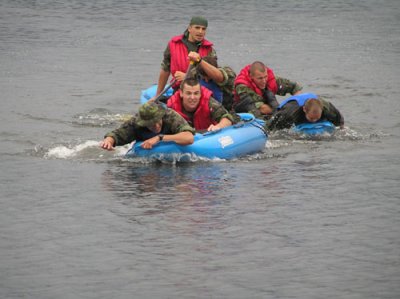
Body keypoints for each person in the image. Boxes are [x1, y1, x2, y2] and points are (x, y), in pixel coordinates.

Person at [155, 16, 217, 97]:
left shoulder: (209, 50)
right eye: (197, 28)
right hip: (179, 90)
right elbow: (165, 69)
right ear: (189, 28)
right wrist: (157, 95)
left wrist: (187, 77)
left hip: (201, 92)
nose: (200, 31)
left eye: (203, 29)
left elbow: (212, 77)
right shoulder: (173, 44)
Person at [100, 102, 195, 150]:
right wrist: (109, 141)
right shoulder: (136, 123)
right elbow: (117, 134)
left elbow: (189, 138)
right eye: (151, 124)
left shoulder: (170, 116)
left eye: (157, 121)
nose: (156, 126)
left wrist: (159, 138)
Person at [233, 61, 303, 118]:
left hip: (269, 111)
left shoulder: (271, 80)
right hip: (245, 112)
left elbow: (295, 87)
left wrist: (296, 104)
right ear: (251, 76)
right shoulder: (242, 86)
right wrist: (283, 111)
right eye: (260, 78)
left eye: (265, 77)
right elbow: (261, 108)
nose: (264, 81)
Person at [167, 77, 235, 131]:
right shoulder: (172, 107)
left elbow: (227, 117)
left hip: (208, 137)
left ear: (200, 94)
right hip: (184, 139)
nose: (192, 97)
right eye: (188, 93)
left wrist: (218, 127)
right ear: (181, 93)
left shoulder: (208, 102)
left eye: (196, 93)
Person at [265, 92, 344, 131]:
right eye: (311, 118)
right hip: (290, 105)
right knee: (273, 104)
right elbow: (272, 126)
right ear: (304, 110)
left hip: (313, 100)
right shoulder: (290, 113)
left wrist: (340, 129)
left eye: (317, 118)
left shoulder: (327, 108)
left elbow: (339, 120)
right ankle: (268, 91)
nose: (314, 122)